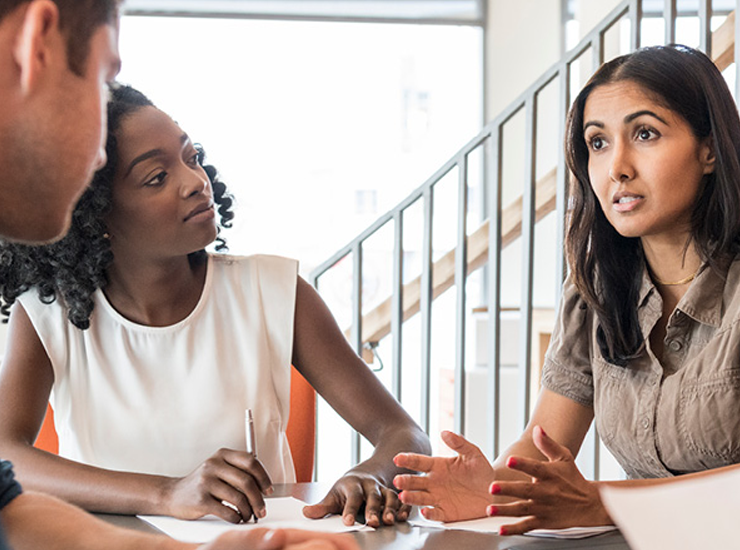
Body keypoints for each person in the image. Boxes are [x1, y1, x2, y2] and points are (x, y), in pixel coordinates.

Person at [0, 1, 358, 549]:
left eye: (191, 158)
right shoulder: (48, 316)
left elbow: (7, 501)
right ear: (36, 44)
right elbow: (9, 462)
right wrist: (166, 494)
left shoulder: (270, 291)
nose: (95, 149)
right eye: (99, 79)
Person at [393, 43, 740, 535]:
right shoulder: (597, 289)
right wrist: (490, 487)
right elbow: (543, 445)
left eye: (645, 134)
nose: (616, 166)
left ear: (709, 149)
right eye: (598, 143)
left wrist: (604, 502)